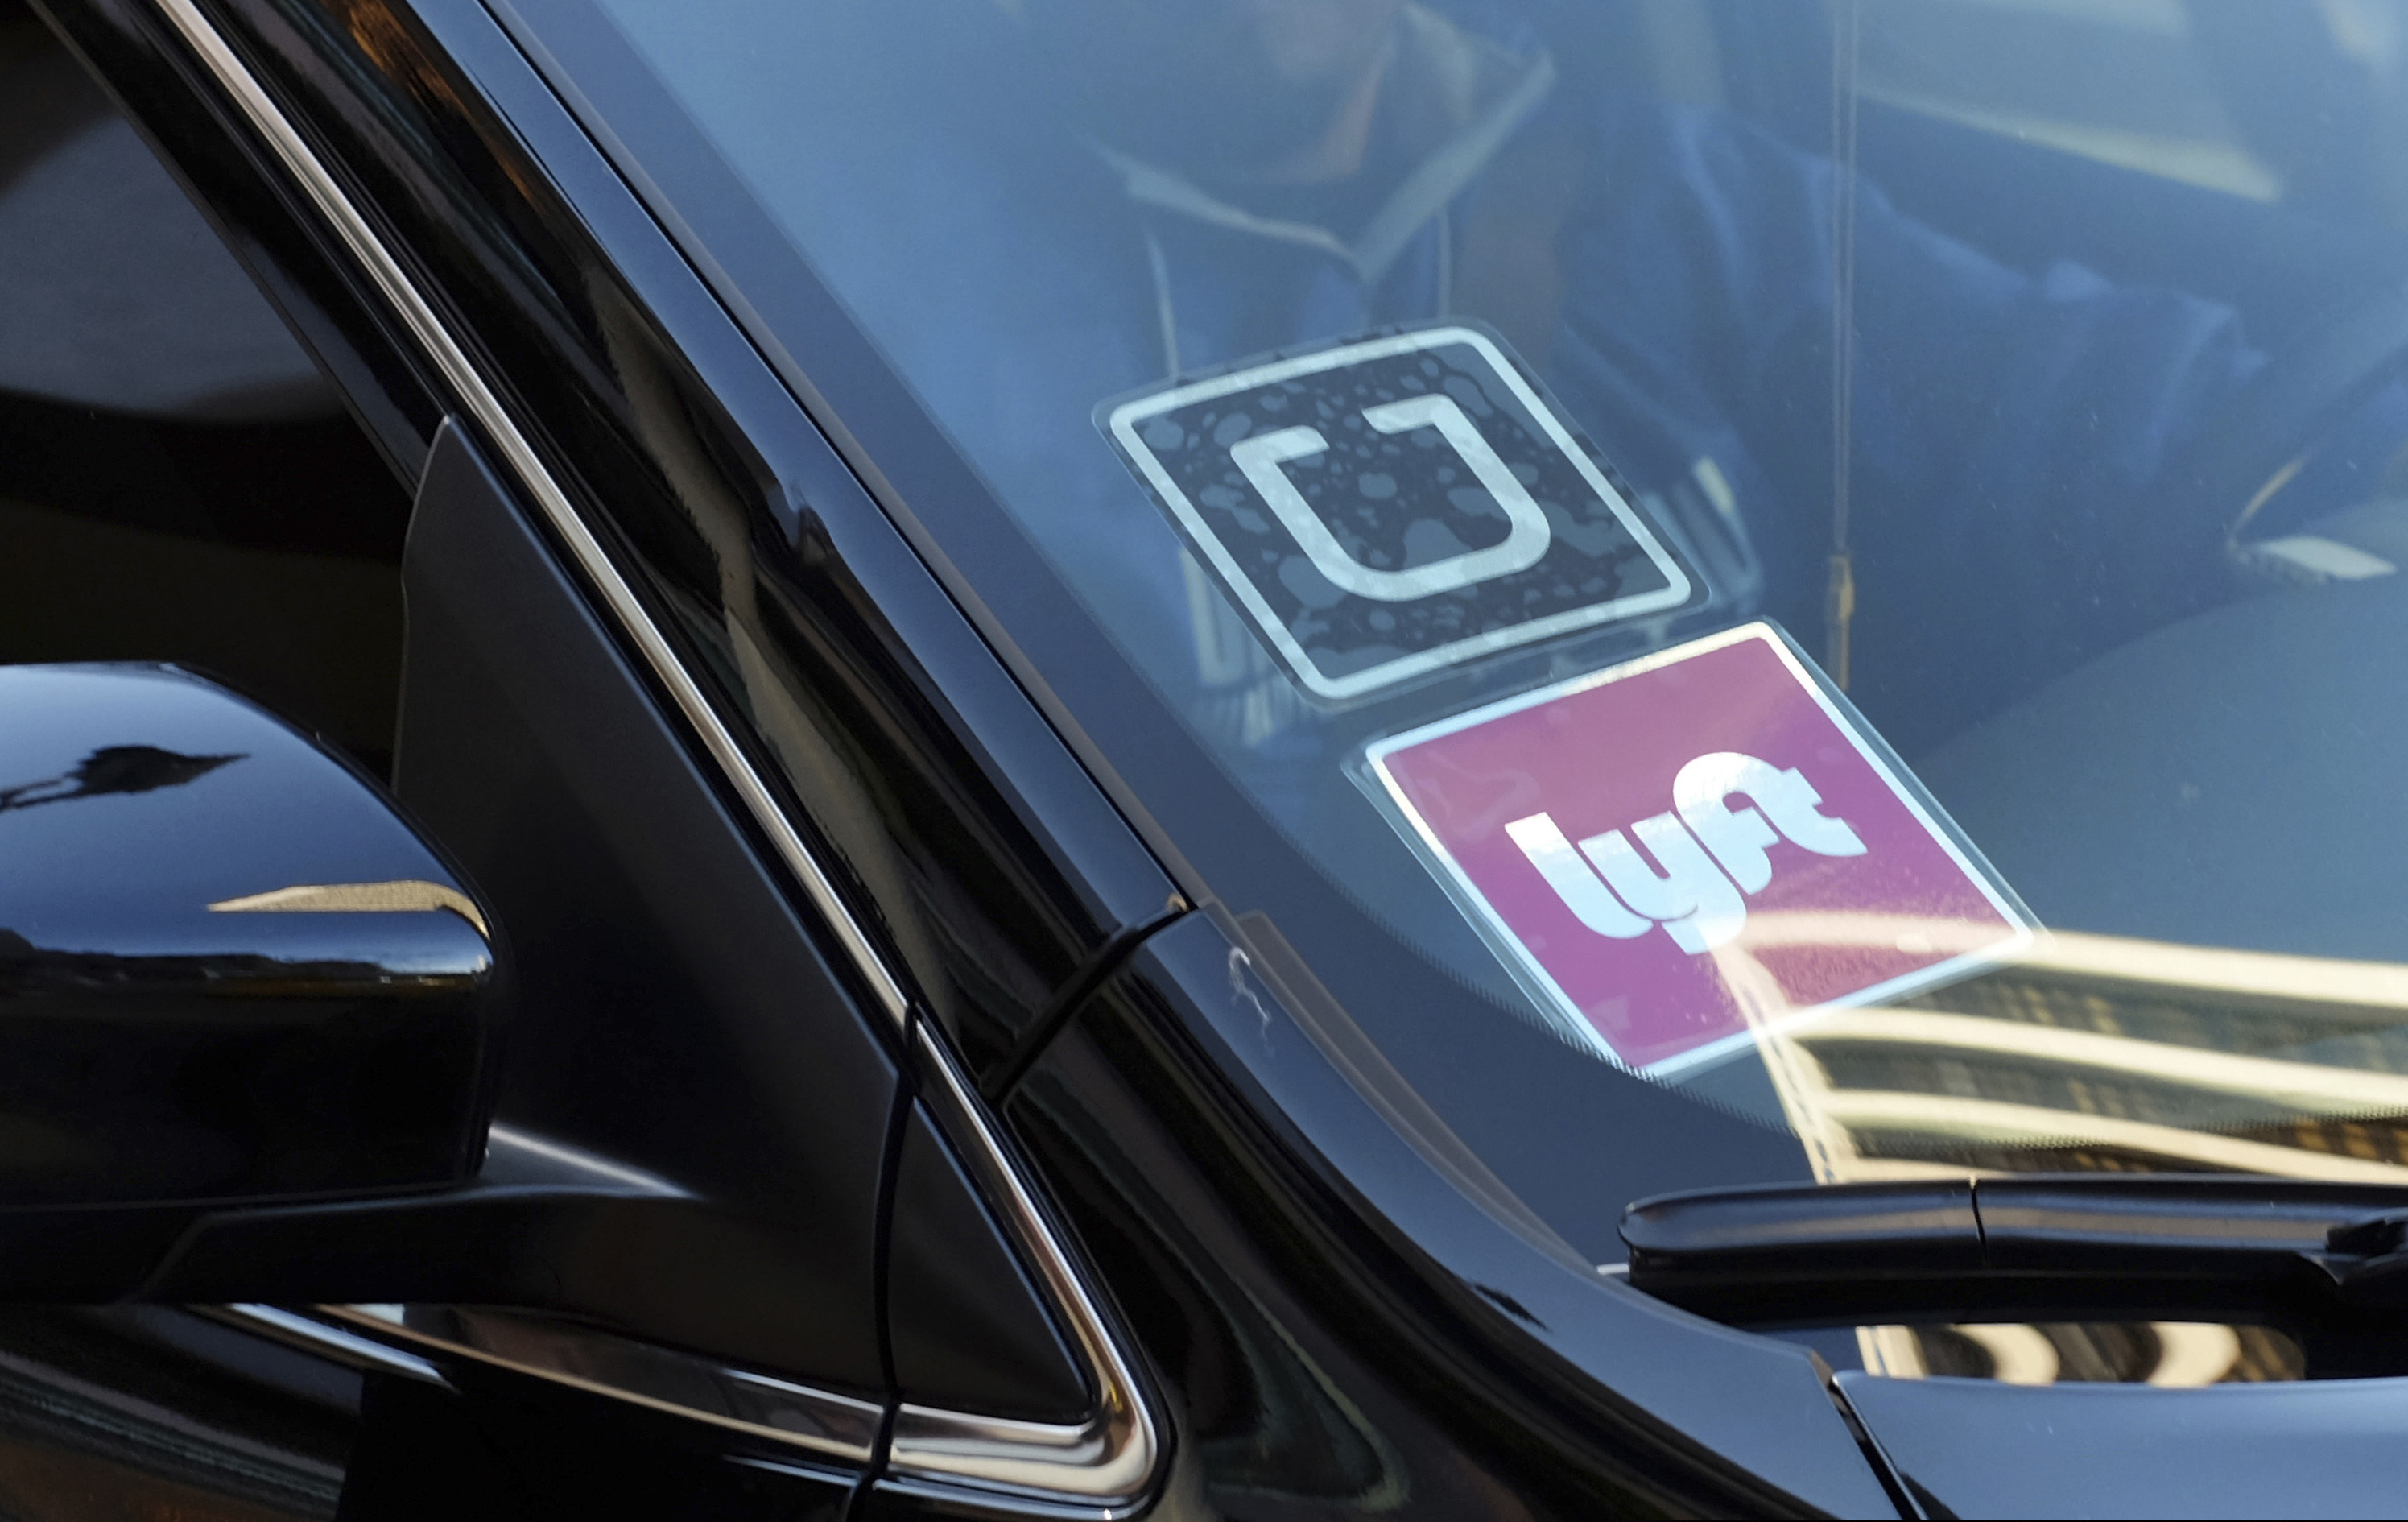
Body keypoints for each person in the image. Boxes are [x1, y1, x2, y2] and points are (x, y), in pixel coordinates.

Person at [769, 0, 2408, 769]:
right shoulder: (854, 301)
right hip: (1313, 1192)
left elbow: (2172, 435)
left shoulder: (1685, 207)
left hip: (1808, 1143)